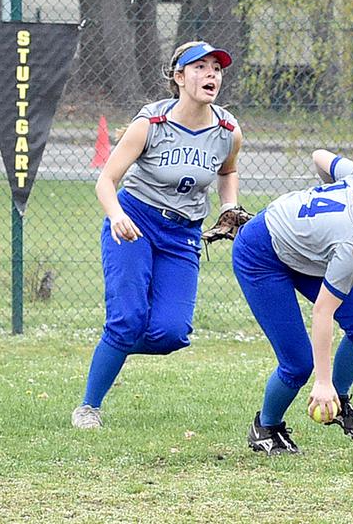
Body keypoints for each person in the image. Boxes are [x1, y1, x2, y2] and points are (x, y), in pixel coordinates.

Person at [72, 41, 243, 429]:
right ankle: (88, 407)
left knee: (171, 333)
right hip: (135, 222)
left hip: (182, 233)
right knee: (128, 318)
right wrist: (115, 216)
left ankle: (113, 344)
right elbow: (106, 180)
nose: (211, 74)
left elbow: (227, 172)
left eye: (216, 68)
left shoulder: (227, 130)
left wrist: (228, 206)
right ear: (179, 77)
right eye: (199, 67)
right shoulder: (151, 123)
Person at [232, 149, 353, 454]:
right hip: (262, 253)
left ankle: (340, 400)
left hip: (306, 251)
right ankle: (266, 427)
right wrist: (322, 382)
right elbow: (323, 311)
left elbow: (320, 156)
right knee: (298, 363)